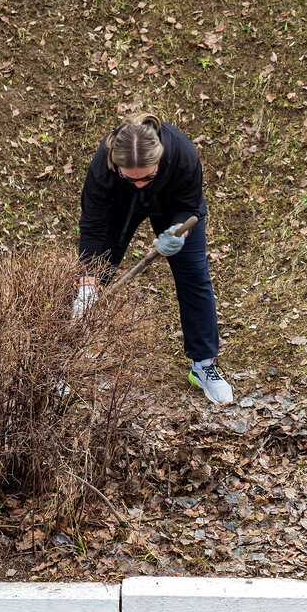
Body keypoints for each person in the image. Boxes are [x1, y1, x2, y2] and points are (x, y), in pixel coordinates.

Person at [72, 112, 233, 404]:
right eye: (130, 178)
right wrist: (88, 278)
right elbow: (93, 225)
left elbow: (190, 206)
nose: (140, 185)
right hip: (119, 208)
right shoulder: (102, 166)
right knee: (92, 278)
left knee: (194, 276)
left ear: (160, 160)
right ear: (116, 166)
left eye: (147, 176)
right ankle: (62, 358)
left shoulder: (182, 153)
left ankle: (203, 365)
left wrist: (178, 231)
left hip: (174, 209)